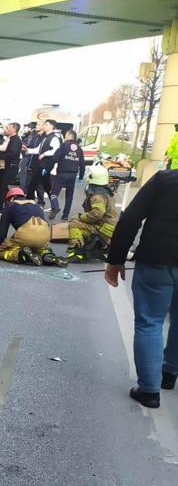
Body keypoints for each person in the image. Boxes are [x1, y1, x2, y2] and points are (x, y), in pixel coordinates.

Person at [105, 168, 178, 408]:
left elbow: (131, 218)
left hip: (157, 259)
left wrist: (116, 259)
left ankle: (149, 390)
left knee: (150, 322)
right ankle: (169, 374)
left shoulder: (166, 179)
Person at [0, 187, 66, 266]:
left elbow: (2, 228)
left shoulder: (11, 206)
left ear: (11, 198)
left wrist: (0, 244)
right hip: (44, 235)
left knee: (1, 252)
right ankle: (47, 256)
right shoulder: (36, 205)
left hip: (25, 235)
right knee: (38, 250)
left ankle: (22, 255)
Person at [66, 163, 117, 262]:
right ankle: (98, 248)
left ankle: (78, 252)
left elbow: (97, 213)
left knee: (74, 223)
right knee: (79, 221)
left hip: (102, 228)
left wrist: (81, 217)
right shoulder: (105, 193)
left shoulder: (97, 196)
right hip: (107, 227)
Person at [48, 128, 86, 220]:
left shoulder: (63, 146)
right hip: (73, 175)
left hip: (61, 173)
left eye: (65, 136)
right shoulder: (79, 149)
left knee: (53, 193)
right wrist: (81, 177)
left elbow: (55, 158)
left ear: (69, 136)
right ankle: (65, 216)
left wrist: (48, 168)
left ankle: (55, 207)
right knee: (69, 196)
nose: (65, 138)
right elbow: (82, 165)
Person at [24, 119, 62, 207]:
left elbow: (56, 150)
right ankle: (54, 206)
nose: (44, 126)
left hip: (46, 165)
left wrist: (44, 154)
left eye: (46, 124)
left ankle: (29, 203)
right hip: (41, 165)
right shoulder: (46, 137)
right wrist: (27, 150)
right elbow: (38, 149)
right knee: (45, 185)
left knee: (33, 184)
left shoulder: (54, 137)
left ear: (52, 126)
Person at [0, 121, 22, 213]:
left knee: (2, 186)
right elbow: (2, 149)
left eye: (8, 128)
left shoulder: (16, 140)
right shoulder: (8, 139)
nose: (5, 129)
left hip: (10, 166)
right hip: (2, 164)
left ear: (14, 129)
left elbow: (12, 154)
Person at [19, 121, 40, 190]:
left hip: (27, 157)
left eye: (26, 127)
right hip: (29, 157)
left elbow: (28, 146)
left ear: (31, 128)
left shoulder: (32, 136)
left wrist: (21, 142)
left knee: (24, 175)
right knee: (26, 175)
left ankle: (22, 191)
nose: (24, 129)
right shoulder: (30, 135)